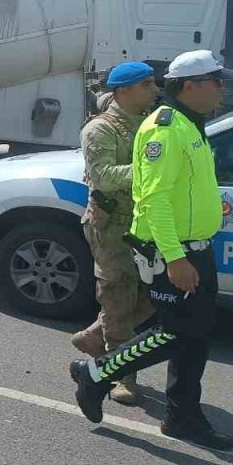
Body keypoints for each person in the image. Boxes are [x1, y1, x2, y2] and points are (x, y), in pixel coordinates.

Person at [69, 49, 233, 451]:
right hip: (174, 249)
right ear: (192, 86)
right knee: (174, 332)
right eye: (215, 81)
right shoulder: (164, 129)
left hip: (196, 246)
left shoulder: (190, 124)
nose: (221, 89)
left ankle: (182, 416)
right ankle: (95, 375)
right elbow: (155, 199)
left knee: (195, 336)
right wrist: (176, 257)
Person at [69, 61, 159, 405]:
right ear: (125, 90)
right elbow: (103, 175)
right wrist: (153, 170)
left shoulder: (153, 122)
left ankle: (94, 336)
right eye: (147, 84)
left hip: (147, 222)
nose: (155, 90)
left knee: (151, 297)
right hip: (113, 226)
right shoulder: (101, 129)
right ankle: (122, 374)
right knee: (118, 298)